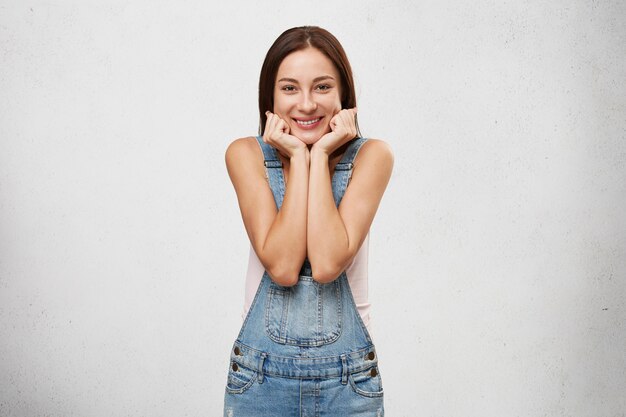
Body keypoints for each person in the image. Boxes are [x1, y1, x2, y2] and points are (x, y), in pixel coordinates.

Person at [222, 26, 393, 416]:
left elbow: (328, 263)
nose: (306, 104)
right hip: (259, 380)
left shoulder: (372, 158)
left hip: (347, 385)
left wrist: (319, 158)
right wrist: (299, 158)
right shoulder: (246, 155)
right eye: (289, 88)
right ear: (270, 97)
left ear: (343, 97)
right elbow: (282, 266)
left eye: (321, 87)